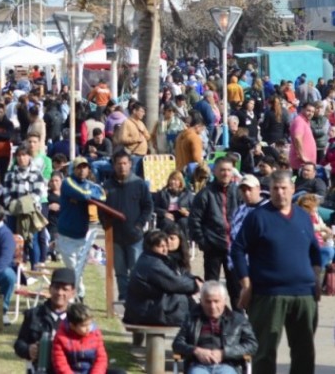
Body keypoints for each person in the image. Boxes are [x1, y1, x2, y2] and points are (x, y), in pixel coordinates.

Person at [230, 170, 320, 374]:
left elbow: (315, 252)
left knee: (304, 351)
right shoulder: (258, 217)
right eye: (275, 188)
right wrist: (246, 284)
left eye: (284, 188)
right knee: (264, 352)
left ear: (292, 189)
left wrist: (316, 279)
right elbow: (237, 249)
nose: (280, 193)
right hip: (268, 295)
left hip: (303, 294)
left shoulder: (303, 217)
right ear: (269, 191)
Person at [172, 281, 259, 374]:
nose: (212, 306)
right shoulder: (191, 319)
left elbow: (252, 345)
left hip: (227, 364)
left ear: (224, 301)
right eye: (208, 302)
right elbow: (177, 344)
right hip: (198, 365)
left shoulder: (238, 320)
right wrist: (196, 351)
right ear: (201, 301)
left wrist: (224, 353)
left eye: (216, 301)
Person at [189, 157, 240, 309]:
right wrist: (203, 242)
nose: (226, 173)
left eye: (229, 170)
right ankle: (211, 317)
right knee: (212, 288)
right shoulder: (205, 194)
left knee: (236, 289)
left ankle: (238, 318)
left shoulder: (238, 192)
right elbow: (194, 220)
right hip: (213, 247)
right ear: (215, 171)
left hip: (234, 248)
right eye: (222, 170)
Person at [103, 151, 154, 302]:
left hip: (134, 236)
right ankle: (123, 297)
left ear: (130, 164)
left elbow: (148, 206)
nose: (122, 167)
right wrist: (105, 225)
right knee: (120, 271)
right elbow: (101, 208)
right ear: (114, 165)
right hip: (114, 236)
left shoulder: (139, 184)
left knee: (135, 270)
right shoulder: (107, 186)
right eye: (119, 164)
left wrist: (139, 224)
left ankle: (136, 298)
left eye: (125, 163)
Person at [123, 230, 200, 326]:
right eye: (160, 246)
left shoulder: (148, 259)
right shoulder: (153, 264)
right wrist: (196, 285)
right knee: (182, 299)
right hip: (146, 312)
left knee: (186, 301)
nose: (165, 250)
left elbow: (178, 276)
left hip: (141, 309)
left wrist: (194, 280)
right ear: (150, 247)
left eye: (166, 246)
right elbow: (175, 283)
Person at [57, 157, 106, 300]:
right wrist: (87, 196)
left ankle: (77, 296)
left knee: (78, 270)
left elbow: (102, 195)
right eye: (79, 167)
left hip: (82, 235)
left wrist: (87, 196)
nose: (82, 170)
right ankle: (78, 296)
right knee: (73, 270)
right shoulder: (67, 182)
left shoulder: (90, 184)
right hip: (66, 235)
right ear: (73, 169)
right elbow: (82, 194)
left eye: (85, 167)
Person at [14, 267, 75, 372]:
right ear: (50, 289)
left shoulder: (77, 318)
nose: (59, 292)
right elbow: (19, 344)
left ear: (73, 292)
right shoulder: (34, 314)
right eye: (56, 288)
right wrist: (28, 350)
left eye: (65, 289)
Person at [52, 303, 110, 374]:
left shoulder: (95, 334)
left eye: (90, 324)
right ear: (72, 326)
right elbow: (60, 363)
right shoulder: (61, 338)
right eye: (84, 326)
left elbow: (101, 358)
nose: (88, 328)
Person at [289, 102, 317, 171]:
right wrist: (302, 156)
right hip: (301, 163)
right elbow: (297, 138)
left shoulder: (305, 121)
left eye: (313, 112)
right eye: (308, 110)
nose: (311, 113)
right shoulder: (299, 121)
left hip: (306, 163)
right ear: (302, 109)